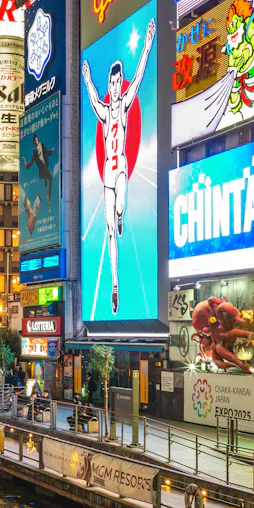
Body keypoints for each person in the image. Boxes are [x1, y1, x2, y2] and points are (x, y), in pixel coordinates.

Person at [81, 17, 155, 314]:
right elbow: (91, 99)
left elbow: (138, 76)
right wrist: (87, 78)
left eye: (115, 82)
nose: (113, 86)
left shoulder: (123, 104)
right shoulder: (103, 108)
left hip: (121, 166)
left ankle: (122, 213)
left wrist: (148, 44)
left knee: (120, 209)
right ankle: (114, 285)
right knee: (110, 230)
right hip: (107, 176)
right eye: (110, 83)